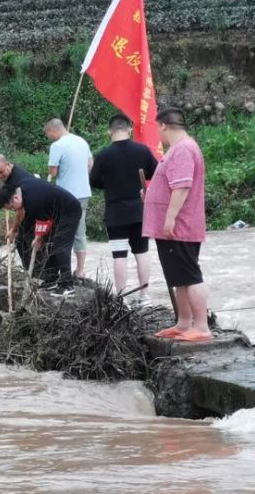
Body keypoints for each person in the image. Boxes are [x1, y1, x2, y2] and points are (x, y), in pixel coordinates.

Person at [143, 107, 211, 341]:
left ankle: (201, 327)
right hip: (175, 227)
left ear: (163, 125)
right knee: (179, 276)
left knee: (190, 275)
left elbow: (182, 186)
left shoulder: (182, 149)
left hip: (179, 227)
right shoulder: (181, 148)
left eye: (157, 128)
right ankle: (184, 323)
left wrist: (170, 218)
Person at [89, 114, 158, 303]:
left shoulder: (103, 155)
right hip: (139, 210)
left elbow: (93, 180)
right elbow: (155, 171)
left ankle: (121, 298)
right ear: (129, 129)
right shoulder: (142, 150)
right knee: (142, 252)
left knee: (119, 255)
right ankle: (145, 296)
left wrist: (109, 185)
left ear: (109, 132)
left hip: (115, 212)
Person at [0, 174, 82, 297]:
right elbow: (30, 215)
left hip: (69, 210)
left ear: (15, 198)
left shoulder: (33, 201)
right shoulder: (21, 191)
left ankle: (67, 285)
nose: (14, 210)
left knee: (60, 247)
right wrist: (15, 231)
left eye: (12, 207)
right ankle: (51, 280)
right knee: (51, 245)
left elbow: (44, 222)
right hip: (54, 212)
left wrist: (38, 238)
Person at [44, 118, 93, 278]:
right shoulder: (82, 141)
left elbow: (53, 172)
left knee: (62, 231)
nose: (48, 136)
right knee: (80, 230)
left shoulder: (57, 146)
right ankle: (80, 270)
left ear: (53, 130)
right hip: (83, 193)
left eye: (48, 133)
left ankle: (59, 270)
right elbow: (90, 164)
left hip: (65, 195)